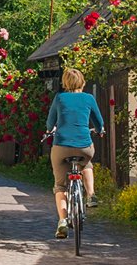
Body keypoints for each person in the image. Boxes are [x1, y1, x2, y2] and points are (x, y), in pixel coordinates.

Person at [45, 66, 105, 239]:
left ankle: (62, 221)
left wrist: (50, 130)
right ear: (83, 82)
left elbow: (50, 123)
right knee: (86, 163)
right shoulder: (89, 98)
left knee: (60, 185)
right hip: (84, 145)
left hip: (61, 145)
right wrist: (100, 130)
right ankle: (91, 195)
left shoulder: (59, 98)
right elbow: (99, 122)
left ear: (65, 83)